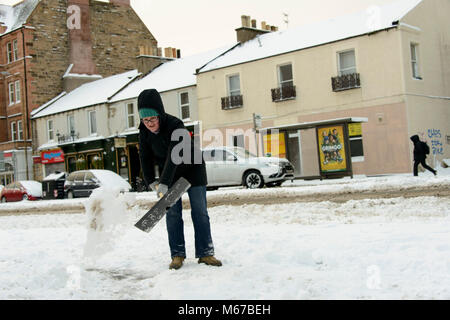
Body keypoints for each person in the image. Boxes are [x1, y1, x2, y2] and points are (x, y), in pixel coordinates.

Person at [137, 89, 222, 270]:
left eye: (152, 119)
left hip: (193, 170)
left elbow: (175, 155)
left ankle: (206, 253)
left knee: (199, 212)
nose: (149, 123)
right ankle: (177, 255)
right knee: (172, 214)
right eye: (145, 120)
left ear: (160, 114)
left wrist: (164, 182)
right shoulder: (143, 131)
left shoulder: (176, 126)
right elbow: (144, 157)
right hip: (171, 174)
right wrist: (152, 181)